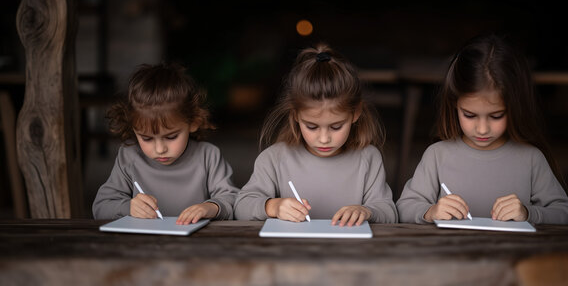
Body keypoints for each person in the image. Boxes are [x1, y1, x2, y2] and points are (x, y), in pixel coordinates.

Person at [397, 34, 568, 225]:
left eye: (496, 115)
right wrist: (430, 211)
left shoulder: (531, 159)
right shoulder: (437, 155)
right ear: (454, 105)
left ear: (515, 108)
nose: (482, 129)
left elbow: (566, 214)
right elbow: (403, 208)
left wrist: (528, 213)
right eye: (470, 115)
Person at [234, 44, 398, 226]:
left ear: (356, 113)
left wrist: (367, 211)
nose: (324, 139)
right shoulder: (274, 158)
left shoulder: (368, 158)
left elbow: (389, 213)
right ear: (295, 115)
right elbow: (241, 206)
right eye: (311, 127)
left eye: (336, 127)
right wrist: (273, 206)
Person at [92, 62, 239, 224]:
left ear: (194, 123)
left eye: (171, 137)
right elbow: (100, 207)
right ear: (133, 129)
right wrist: (128, 207)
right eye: (146, 138)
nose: (160, 149)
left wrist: (210, 207)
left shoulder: (208, 156)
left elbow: (234, 201)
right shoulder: (129, 156)